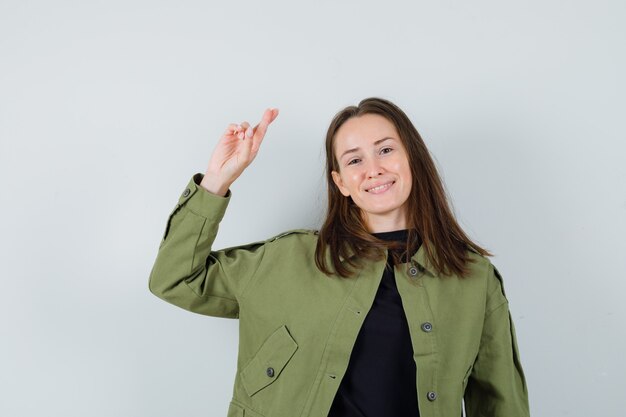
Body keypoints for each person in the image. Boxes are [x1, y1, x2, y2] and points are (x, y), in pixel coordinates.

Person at [148, 97, 530, 417]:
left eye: (385, 150)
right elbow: (175, 278)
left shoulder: (474, 279)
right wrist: (217, 180)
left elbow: (501, 404)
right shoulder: (287, 259)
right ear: (340, 182)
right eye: (354, 160)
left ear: (412, 158)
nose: (374, 169)